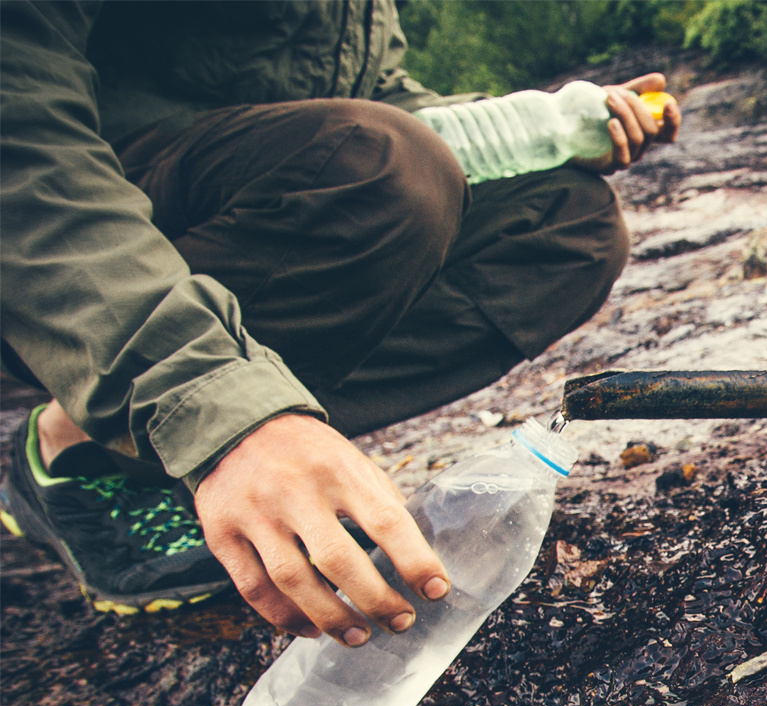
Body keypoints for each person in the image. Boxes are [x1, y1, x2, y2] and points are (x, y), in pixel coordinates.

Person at [0, 0, 679, 647]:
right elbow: (20, 138)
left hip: (252, 171)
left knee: (564, 220)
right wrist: (215, 404)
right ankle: (80, 442)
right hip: (62, 242)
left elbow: (377, 105)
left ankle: (182, 457)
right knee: (380, 169)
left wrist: (543, 128)